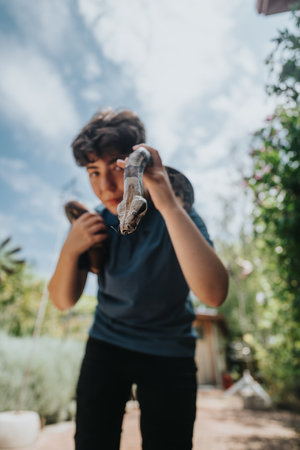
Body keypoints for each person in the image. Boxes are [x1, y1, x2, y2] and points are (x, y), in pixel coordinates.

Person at [48, 108, 228, 450]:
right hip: (107, 345)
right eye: (92, 172)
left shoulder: (177, 214)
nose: (104, 186)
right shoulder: (95, 225)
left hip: (169, 350)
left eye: (114, 168)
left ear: (134, 164)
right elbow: (61, 301)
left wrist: (169, 206)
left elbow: (215, 294)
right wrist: (71, 251)